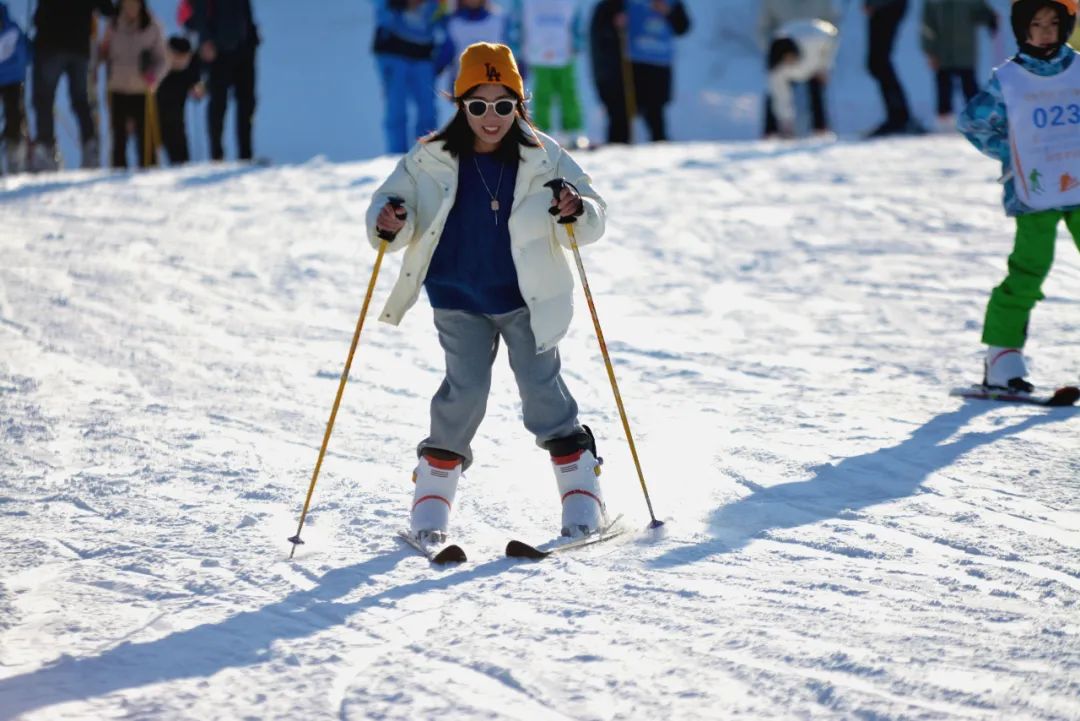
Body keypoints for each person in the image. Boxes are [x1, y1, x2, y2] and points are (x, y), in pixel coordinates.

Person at [366, 42, 609, 544]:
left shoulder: (545, 155)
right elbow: (392, 205)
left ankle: (583, 496)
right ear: (461, 106)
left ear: (519, 106)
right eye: (478, 106)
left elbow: (593, 213)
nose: (491, 117)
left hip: (527, 296)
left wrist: (575, 208)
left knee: (542, 392)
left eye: (504, 105)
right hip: (457, 296)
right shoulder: (429, 156)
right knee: (464, 393)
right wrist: (390, 217)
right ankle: (430, 508)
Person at [957, 0, 1080, 392]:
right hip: (1034, 190)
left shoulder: (1079, 68)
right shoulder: (1009, 78)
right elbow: (973, 122)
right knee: (1029, 268)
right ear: (1021, 29)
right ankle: (1002, 359)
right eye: (1036, 23)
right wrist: (1014, 153)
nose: (1045, 31)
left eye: (1053, 23)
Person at [29, 0, 115, 171]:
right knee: (80, 100)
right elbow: (107, 9)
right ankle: (90, 148)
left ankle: (46, 150)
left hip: (50, 43)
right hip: (79, 45)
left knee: (44, 99)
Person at [589, 0, 691, 144]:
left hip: (659, 62)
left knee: (655, 112)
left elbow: (683, 26)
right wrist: (615, 23)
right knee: (621, 111)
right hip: (629, 62)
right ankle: (618, 149)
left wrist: (668, 12)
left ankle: (660, 147)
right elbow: (602, 23)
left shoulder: (672, 2)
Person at [186, 0, 259, 161]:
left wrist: (252, 35)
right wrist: (205, 40)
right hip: (218, 50)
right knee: (218, 103)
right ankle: (216, 155)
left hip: (244, 47)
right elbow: (198, 10)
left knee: (247, 102)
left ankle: (246, 155)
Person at [102, 0, 167, 169]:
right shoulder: (113, 25)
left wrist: (154, 76)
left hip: (142, 90)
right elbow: (102, 53)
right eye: (127, 3)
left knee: (146, 140)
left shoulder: (152, 26)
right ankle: (117, 176)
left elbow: (163, 59)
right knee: (119, 138)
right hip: (117, 88)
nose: (131, 7)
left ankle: (150, 175)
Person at [758, 0, 838, 138]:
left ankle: (821, 129)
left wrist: (825, 66)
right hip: (782, 50)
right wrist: (774, 52)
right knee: (776, 91)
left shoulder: (817, 35)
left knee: (816, 87)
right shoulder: (780, 63)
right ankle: (773, 131)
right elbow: (762, 28)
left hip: (814, 56)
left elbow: (832, 36)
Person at [373, 0, 441, 154]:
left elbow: (446, 15)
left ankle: (427, 156)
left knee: (428, 110)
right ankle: (395, 158)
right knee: (396, 108)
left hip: (424, 53)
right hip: (393, 50)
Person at [515, 0, 586, 147]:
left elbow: (577, 22)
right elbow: (518, 22)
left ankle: (572, 131)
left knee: (568, 93)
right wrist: (517, 49)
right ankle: (542, 132)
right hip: (538, 55)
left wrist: (577, 42)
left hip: (564, 53)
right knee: (542, 94)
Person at [921, 0, 998, 129]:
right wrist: (929, 50)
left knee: (969, 85)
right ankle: (944, 120)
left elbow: (981, 13)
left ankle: (977, 118)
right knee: (943, 85)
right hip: (942, 52)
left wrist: (990, 18)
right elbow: (927, 26)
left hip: (964, 51)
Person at [865, 0, 922, 137]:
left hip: (888, 5)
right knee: (877, 63)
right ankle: (898, 115)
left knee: (879, 62)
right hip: (886, 6)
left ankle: (899, 117)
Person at [434, 0, 516, 92]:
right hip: (464, 87)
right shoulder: (453, 23)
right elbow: (446, 54)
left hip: (495, 85)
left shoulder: (500, 19)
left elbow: (511, 51)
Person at [156, 36, 204, 165]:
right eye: (177, 57)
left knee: (179, 151)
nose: (181, 61)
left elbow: (197, 87)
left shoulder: (191, 67)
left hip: (177, 120)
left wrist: (198, 90)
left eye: (185, 57)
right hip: (154, 117)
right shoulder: (159, 65)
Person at [0, 0, 29, 174]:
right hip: (13, 78)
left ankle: (14, 151)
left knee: (14, 115)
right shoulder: (13, 28)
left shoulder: (12, 29)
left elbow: (26, 51)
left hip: (11, 79)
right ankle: (13, 149)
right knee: (14, 113)